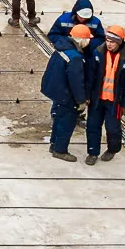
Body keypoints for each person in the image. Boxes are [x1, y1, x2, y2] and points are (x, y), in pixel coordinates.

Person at [86, 26, 125, 164]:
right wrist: (87, 95)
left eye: (113, 41)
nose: (109, 44)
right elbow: (90, 76)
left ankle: (112, 149)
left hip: (115, 102)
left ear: (120, 42)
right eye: (108, 40)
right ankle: (92, 152)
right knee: (92, 126)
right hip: (97, 99)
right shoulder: (98, 54)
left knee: (113, 128)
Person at [42, 24, 95, 162]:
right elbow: (76, 81)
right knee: (67, 122)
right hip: (67, 95)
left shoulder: (62, 48)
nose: (89, 42)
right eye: (88, 39)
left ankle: (54, 145)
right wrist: (81, 101)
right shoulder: (75, 57)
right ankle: (60, 150)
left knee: (59, 119)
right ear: (82, 40)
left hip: (57, 91)